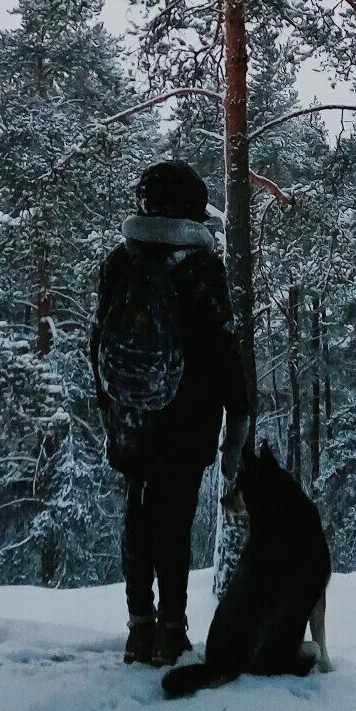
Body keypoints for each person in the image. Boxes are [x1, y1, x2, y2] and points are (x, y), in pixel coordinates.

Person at [91, 160, 251, 668]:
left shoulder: (120, 261)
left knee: (138, 514)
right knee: (175, 520)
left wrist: (110, 407)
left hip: (132, 419)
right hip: (188, 421)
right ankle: (171, 628)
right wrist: (238, 418)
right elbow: (225, 350)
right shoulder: (201, 268)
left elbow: (98, 342)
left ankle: (138, 627)